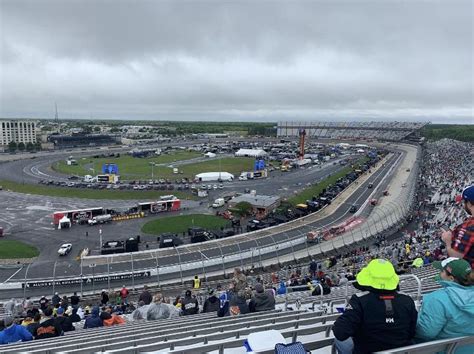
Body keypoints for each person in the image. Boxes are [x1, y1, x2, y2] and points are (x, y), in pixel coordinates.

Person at [332, 259, 417, 354]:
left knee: (340, 341)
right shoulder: (407, 300)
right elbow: (412, 332)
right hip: (400, 351)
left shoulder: (360, 300)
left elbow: (340, 332)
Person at [415, 258, 474, 353]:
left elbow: (426, 333)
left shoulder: (437, 299)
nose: (439, 273)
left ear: (451, 278)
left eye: (442, 271)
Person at [441, 185, 474, 267]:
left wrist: (447, 242)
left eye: (464, 202)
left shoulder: (468, 227)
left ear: (469, 204)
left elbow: (456, 257)